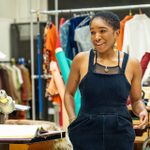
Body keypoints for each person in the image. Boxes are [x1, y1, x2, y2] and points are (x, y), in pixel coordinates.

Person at [64, 11, 148, 150]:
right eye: (92, 32)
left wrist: (142, 111)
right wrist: (73, 120)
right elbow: (68, 94)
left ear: (116, 33)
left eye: (102, 31)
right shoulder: (81, 60)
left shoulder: (132, 64)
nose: (96, 37)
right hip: (85, 132)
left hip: (120, 134)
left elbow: (136, 100)